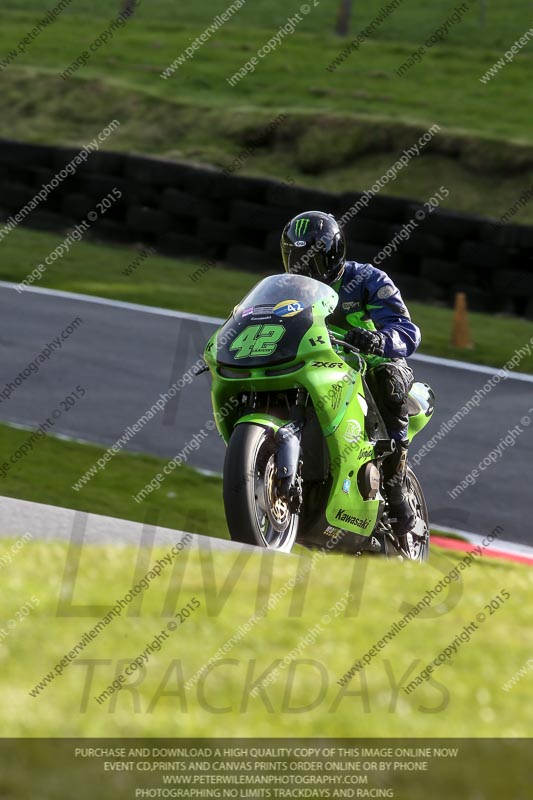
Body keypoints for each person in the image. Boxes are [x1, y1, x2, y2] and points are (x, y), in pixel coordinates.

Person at [280, 210, 421, 536]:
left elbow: (407, 330)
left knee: (387, 380)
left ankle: (395, 481)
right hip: (319, 366)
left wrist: (379, 339)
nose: (306, 268)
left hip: (372, 363)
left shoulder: (368, 280)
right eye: (297, 258)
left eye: (313, 259)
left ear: (333, 253)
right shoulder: (286, 290)